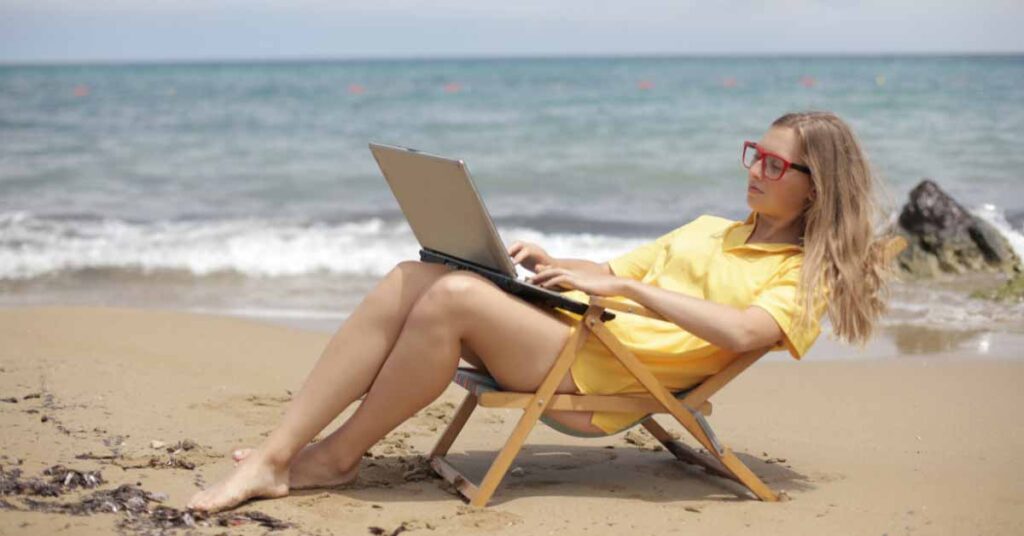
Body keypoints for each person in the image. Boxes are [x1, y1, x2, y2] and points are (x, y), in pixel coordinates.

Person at [187, 110, 892, 512]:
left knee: (455, 297)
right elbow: (608, 274)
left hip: (602, 383)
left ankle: (330, 457)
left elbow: (742, 331)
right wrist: (547, 264)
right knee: (415, 274)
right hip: (570, 336)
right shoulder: (710, 230)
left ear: (817, 186)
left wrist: (633, 295)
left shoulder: (805, 274)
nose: (753, 172)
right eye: (753, 156)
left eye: (773, 166)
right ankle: (286, 451)